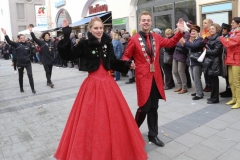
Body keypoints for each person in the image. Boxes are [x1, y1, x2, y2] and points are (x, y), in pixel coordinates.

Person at [54, 17, 147, 160]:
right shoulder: (84, 44)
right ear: (90, 29)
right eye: (96, 28)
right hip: (92, 85)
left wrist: (126, 64)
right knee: (92, 121)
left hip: (108, 85)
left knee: (114, 119)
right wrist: (66, 34)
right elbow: (67, 56)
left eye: (101, 28)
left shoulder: (107, 43)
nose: (99, 31)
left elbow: (113, 62)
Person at [122, 11, 185, 147]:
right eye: (143, 20)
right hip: (142, 77)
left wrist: (180, 32)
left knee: (154, 107)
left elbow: (170, 42)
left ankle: (153, 135)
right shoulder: (133, 39)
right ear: (139, 22)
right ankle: (132, 131)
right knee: (144, 107)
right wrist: (128, 63)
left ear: (151, 22)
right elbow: (126, 56)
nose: (146, 22)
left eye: (148, 20)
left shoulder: (156, 37)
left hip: (156, 77)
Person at [1, 29, 36, 93]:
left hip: (27, 63)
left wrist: (30, 58)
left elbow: (31, 52)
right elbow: (9, 42)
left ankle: (33, 89)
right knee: (20, 76)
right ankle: (21, 88)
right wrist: (5, 34)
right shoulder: (17, 44)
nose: (23, 39)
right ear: (19, 39)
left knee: (30, 75)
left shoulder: (28, 44)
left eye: (24, 38)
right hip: (20, 63)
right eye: (21, 38)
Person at [220, 17, 240, 109]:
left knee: (237, 82)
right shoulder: (233, 33)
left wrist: (222, 38)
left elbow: (229, 43)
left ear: (238, 24)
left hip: (237, 61)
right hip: (231, 60)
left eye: (233, 23)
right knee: (231, 81)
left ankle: (239, 101)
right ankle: (234, 98)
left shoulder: (238, 34)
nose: (231, 24)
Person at [181, 25, 204, 100]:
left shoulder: (200, 39)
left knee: (197, 78)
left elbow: (194, 46)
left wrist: (185, 42)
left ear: (198, 32)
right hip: (191, 61)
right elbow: (188, 49)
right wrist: (183, 45)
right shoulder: (192, 40)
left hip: (196, 62)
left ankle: (199, 94)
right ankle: (198, 91)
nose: (192, 32)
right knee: (194, 78)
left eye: (194, 31)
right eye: (191, 31)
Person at [202, 23, 223, 104]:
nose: (210, 30)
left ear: (217, 30)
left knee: (214, 82)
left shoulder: (218, 38)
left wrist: (206, 50)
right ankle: (212, 97)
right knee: (211, 81)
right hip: (211, 61)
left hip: (215, 62)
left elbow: (216, 51)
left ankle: (215, 99)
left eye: (212, 29)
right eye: (210, 29)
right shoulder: (211, 38)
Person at [219, 23, 232, 98]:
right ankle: (227, 89)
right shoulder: (223, 36)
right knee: (225, 75)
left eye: (223, 29)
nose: (222, 30)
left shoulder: (228, 36)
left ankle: (229, 91)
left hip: (228, 58)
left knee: (228, 76)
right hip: (223, 58)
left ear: (226, 30)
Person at [201, 19, 213, 92]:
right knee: (204, 70)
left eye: (205, 23)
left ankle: (210, 85)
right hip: (203, 53)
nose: (203, 24)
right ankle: (207, 84)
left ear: (209, 24)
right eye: (203, 23)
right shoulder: (203, 32)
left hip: (208, 52)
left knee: (208, 70)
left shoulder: (210, 32)